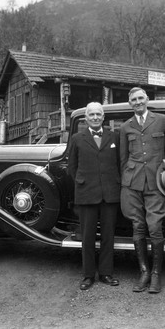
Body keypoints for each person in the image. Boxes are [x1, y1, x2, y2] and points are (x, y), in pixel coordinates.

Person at [120, 87, 165, 294]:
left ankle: (156, 274)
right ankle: (143, 271)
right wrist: (125, 181)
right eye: (133, 100)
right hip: (132, 183)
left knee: (154, 226)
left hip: (156, 182)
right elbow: (122, 158)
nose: (137, 102)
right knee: (137, 226)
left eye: (140, 98)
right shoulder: (126, 126)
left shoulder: (162, 119)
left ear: (147, 99)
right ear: (130, 103)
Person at [68, 102, 121, 290]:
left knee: (108, 235)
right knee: (88, 236)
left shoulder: (114, 136)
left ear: (104, 116)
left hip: (110, 194)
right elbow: (72, 167)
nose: (95, 117)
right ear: (86, 118)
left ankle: (106, 273)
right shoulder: (76, 138)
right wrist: (83, 182)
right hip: (86, 193)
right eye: (92, 115)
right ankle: (88, 275)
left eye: (99, 114)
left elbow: (120, 163)